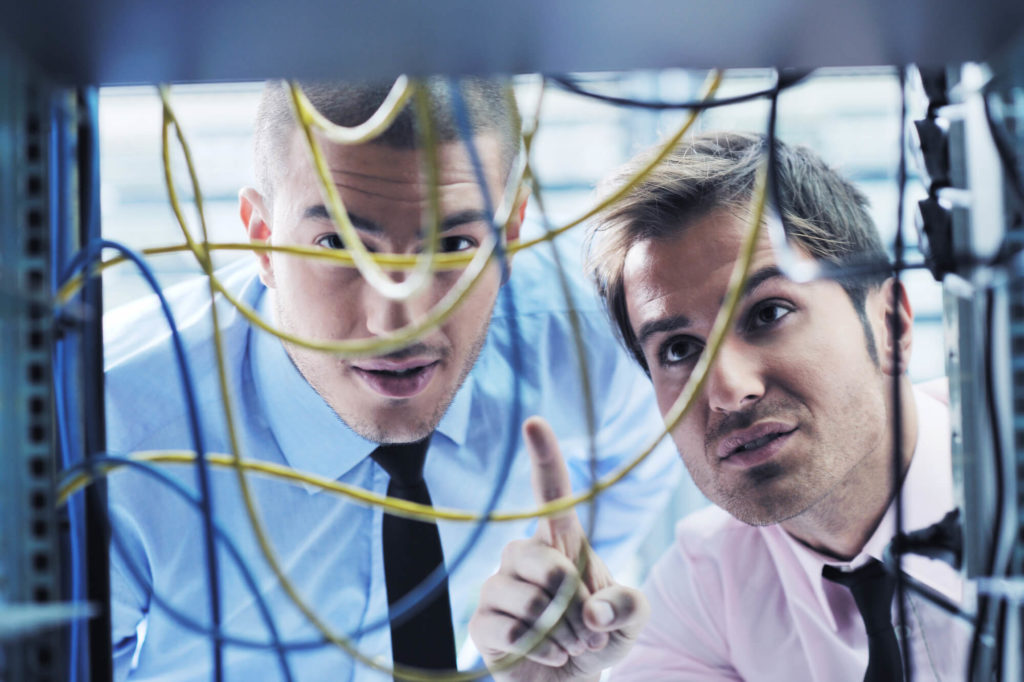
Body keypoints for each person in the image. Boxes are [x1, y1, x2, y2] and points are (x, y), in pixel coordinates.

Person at [102, 78, 680, 681]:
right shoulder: (112, 433)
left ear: (510, 239)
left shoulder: (602, 343)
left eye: (454, 244)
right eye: (339, 246)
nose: (398, 321)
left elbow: (632, 481)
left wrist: (563, 626)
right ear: (262, 241)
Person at [471, 131, 967, 681]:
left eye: (769, 313)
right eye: (679, 350)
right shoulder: (702, 590)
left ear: (890, 324)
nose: (728, 390)